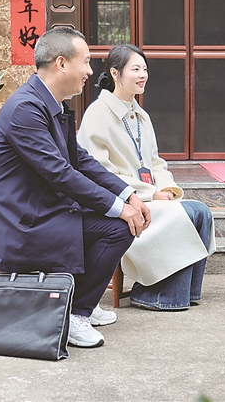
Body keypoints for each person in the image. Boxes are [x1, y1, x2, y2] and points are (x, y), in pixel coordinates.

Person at [0, 27, 152, 349]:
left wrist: (129, 194)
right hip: (21, 224)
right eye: (86, 61)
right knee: (117, 227)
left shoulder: (49, 104)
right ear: (61, 63)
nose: (90, 71)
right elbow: (61, 174)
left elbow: (80, 160)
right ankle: (76, 313)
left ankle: (78, 301)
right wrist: (120, 208)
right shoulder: (26, 108)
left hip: (43, 213)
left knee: (115, 222)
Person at [77, 44, 213, 311]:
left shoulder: (141, 115)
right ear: (115, 73)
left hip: (148, 196)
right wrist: (151, 194)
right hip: (123, 201)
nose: (143, 75)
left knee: (201, 211)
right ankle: (157, 295)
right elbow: (100, 173)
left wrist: (167, 188)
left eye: (145, 69)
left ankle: (184, 293)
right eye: (135, 69)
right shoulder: (97, 113)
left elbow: (155, 162)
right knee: (185, 214)